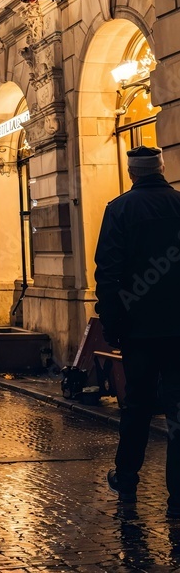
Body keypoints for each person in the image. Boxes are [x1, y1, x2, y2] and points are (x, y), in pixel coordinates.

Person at [95, 145, 180, 517]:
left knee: (138, 404)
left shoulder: (120, 209)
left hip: (138, 329)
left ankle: (127, 477)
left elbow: (108, 273)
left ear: (132, 173)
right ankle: (178, 498)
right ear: (161, 168)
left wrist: (112, 324)